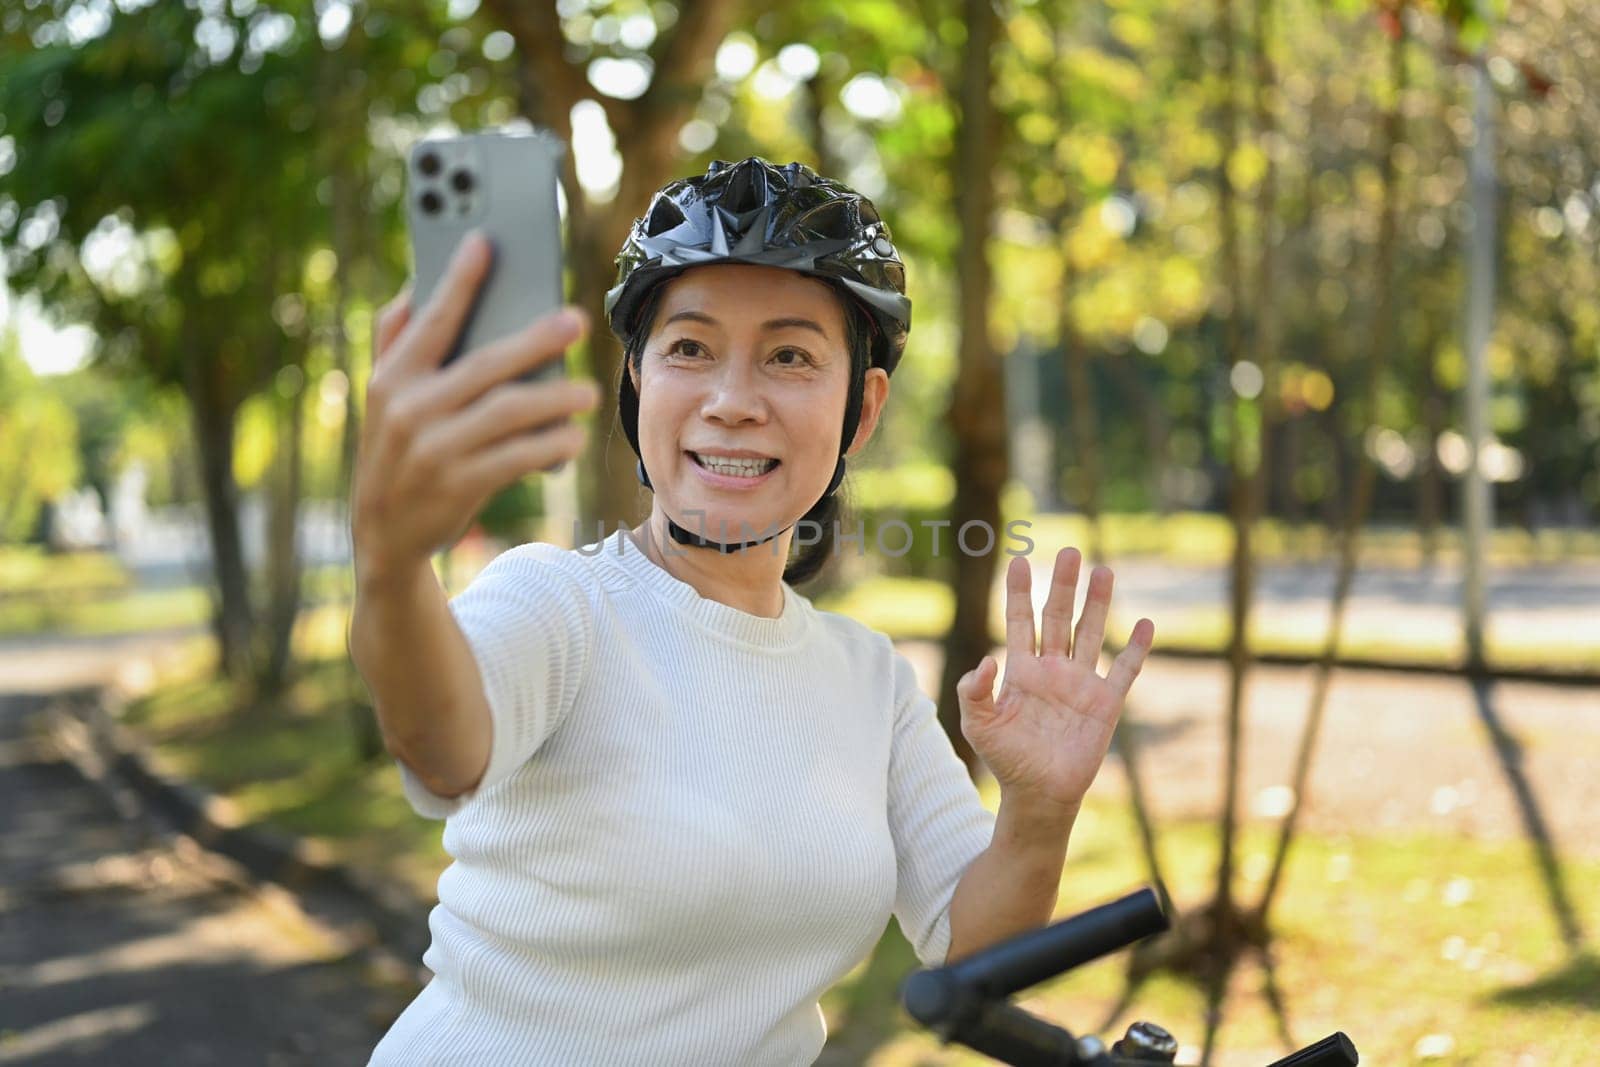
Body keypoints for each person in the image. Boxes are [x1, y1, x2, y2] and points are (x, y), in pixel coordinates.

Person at [351, 157, 1155, 1065]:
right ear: (638, 382)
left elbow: (973, 945)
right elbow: (443, 746)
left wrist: (1042, 810)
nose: (733, 402)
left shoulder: (869, 679)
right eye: (689, 348)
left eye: (790, 356)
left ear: (862, 410)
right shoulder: (560, 604)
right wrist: (391, 565)